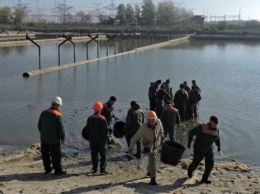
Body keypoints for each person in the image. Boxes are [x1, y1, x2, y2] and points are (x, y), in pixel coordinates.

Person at [128, 111, 164, 185]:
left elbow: (161, 130)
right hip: (147, 145)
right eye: (151, 120)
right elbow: (134, 138)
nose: (153, 122)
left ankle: (149, 171)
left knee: (152, 159)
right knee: (153, 159)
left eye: (154, 120)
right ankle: (153, 179)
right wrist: (131, 149)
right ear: (148, 120)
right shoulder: (143, 127)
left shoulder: (158, 121)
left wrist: (162, 136)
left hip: (156, 143)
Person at [187, 116, 221, 184]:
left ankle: (204, 179)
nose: (216, 124)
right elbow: (191, 132)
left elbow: (217, 138)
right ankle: (190, 170)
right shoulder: (202, 126)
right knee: (196, 163)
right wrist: (189, 143)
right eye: (215, 123)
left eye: (217, 123)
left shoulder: (217, 129)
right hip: (199, 148)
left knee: (210, 164)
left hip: (209, 148)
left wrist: (219, 147)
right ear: (211, 122)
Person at [37, 96, 66, 175]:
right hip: (54, 140)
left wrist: (43, 133)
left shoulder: (43, 112)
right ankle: (58, 170)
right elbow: (61, 128)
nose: (59, 107)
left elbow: (39, 125)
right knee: (56, 156)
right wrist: (62, 137)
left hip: (43, 139)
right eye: (59, 106)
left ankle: (47, 169)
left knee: (45, 155)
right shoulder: (58, 115)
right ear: (58, 105)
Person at [85, 101, 111, 174]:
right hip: (101, 141)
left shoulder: (89, 118)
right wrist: (108, 137)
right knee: (103, 154)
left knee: (94, 154)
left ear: (94, 109)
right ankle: (102, 169)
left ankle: (94, 169)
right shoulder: (102, 118)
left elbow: (87, 130)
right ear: (100, 109)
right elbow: (105, 130)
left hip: (92, 140)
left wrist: (90, 136)